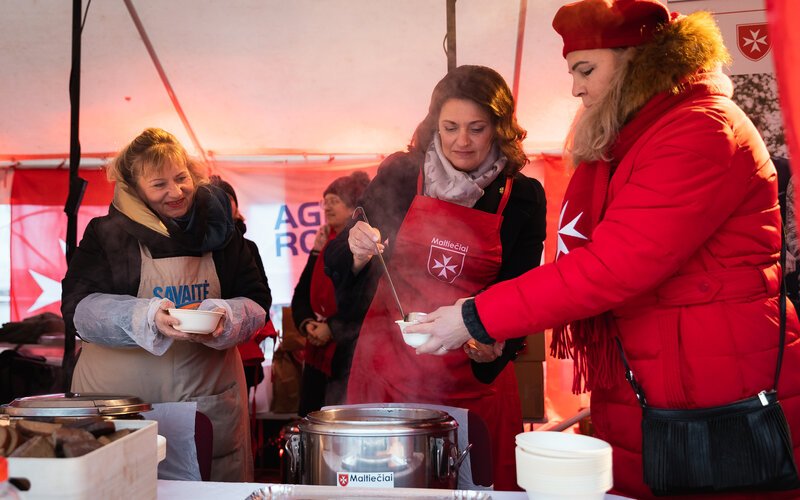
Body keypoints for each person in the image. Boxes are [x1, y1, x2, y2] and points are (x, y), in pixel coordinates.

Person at [412, 2, 800, 498]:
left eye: (586, 70)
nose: (576, 87)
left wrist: (472, 317)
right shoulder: (646, 133)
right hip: (660, 378)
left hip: (713, 392)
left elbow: (612, 265)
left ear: (637, 61)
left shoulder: (700, 129)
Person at [324, 65, 547, 490]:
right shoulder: (403, 175)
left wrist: (494, 345)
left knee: (478, 487)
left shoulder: (524, 197)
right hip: (389, 372)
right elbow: (339, 259)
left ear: (500, 129)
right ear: (434, 126)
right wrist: (355, 247)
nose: (462, 141)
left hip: (475, 372)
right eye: (450, 127)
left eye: (477, 128)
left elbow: (522, 290)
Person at [61, 128, 270, 482]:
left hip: (207, 398)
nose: (176, 192)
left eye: (181, 178)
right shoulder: (106, 233)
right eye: (159, 184)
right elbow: (78, 309)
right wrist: (145, 317)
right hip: (123, 403)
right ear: (134, 189)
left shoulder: (222, 232)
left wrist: (227, 317)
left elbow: (257, 299)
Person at [290, 171, 370, 415]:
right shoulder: (324, 242)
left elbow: (365, 302)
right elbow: (301, 293)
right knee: (312, 416)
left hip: (348, 352)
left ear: (352, 206)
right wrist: (309, 325)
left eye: (335, 201)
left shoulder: (362, 244)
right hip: (317, 351)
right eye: (326, 201)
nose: (327, 207)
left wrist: (332, 329)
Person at [209, 175, 276, 392]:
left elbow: (261, 296)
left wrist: (233, 314)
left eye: (226, 202)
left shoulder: (247, 247)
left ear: (236, 208)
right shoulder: (192, 246)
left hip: (237, 343)